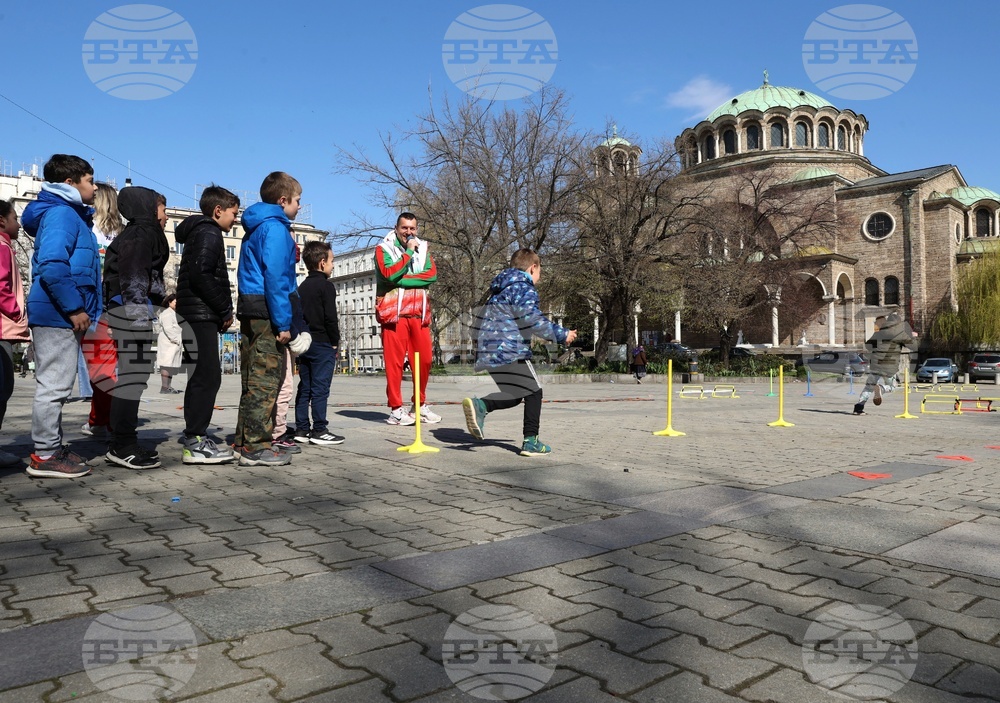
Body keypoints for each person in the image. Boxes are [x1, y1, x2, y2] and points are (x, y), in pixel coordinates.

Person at [22, 154, 100, 479]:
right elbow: (53, 264)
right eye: (90, 181)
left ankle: (50, 447)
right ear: (70, 183)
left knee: (56, 384)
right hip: (57, 313)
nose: (95, 188)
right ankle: (45, 454)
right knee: (54, 386)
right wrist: (74, 307)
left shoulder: (67, 214)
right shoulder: (62, 214)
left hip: (58, 312)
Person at [463, 248, 576, 456]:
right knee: (534, 391)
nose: (539, 277)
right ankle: (530, 440)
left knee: (516, 394)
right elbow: (532, 319)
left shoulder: (500, 289)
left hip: (488, 349)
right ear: (533, 267)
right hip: (509, 348)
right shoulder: (524, 288)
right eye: (540, 271)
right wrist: (562, 334)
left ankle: (482, 405)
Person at [234, 172, 311, 466]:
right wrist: (283, 324)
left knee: (252, 380)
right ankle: (256, 446)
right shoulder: (276, 229)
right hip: (268, 313)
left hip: (251, 308)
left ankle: (244, 440)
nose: (300, 206)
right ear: (283, 201)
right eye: (297, 201)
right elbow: (277, 279)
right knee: (266, 382)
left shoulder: (255, 227)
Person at [103, 186, 169, 469]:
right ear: (148, 208)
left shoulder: (140, 233)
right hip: (132, 311)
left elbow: (144, 276)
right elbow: (133, 278)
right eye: (163, 209)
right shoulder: (141, 234)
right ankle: (122, 445)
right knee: (133, 376)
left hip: (131, 310)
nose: (165, 215)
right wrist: (138, 319)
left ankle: (122, 440)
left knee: (134, 376)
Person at [174, 184, 238, 464]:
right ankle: (195, 441)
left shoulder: (197, 232)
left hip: (195, 314)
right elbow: (202, 274)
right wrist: (224, 307)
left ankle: (196, 436)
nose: (235, 219)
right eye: (233, 214)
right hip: (200, 315)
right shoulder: (209, 232)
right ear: (218, 210)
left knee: (201, 376)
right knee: (207, 376)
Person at [374, 212, 439, 425]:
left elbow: (431, 276)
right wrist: (408, 254)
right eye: (405, 228)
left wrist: (403, 280)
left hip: (419, 314)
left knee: (426, 360)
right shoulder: (383, 249)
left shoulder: (425, 248)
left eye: (412, 228)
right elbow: (390, 274)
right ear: (396, 228)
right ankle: (395, 410)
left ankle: (419, 405)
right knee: (394, 364)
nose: (409, 233)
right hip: (394, 315)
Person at [293, 240, 345, 446]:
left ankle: (302, 428)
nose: (333, 265)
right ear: (322, 263)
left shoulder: (302, 287)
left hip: (305, 343)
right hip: (323, 342)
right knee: (321, 387)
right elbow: (330, 317)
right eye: (332, 261)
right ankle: (320, 430)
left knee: (305, 386)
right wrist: (335, 341)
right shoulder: (326, 286)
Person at [81, 182, 122, 438]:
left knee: (101, 370)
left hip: (92, 305)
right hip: (117, 304)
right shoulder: (122, 232)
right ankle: (99, 419)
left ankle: (102, 421)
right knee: (106, 367)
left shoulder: (86, 229)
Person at [0, 199, 29, 466]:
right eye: (15, 218)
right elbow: (1, 285)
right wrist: (15, 311)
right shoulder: (1, 247)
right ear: (2, 221)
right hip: (2, 327)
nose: (18, 224)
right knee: (3, 387)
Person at [853, 312, 914, 416]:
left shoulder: (879, 332)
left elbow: (868, 346)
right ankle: (882, 388)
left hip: (875, 364)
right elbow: (913, 345)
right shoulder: (901, 334)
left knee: (868, 387)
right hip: (890, 367)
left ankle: (858, 408)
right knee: (892, 386)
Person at [156, 294, 184, 394]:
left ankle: (168, 386)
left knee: (170, 365)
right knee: (166, 365)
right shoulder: (167, 313)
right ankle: (164, 387)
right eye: (175, 302)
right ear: (169, 302)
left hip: (173, 343)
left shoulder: (174, 313)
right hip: (168, 343)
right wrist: (177, 339)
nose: (177, 305)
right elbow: (169, 329)